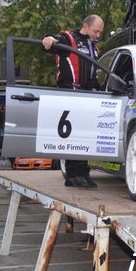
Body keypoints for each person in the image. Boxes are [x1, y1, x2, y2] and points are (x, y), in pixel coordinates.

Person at [43, 14, 104, 188]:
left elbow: (93, 74)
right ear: (86, 25)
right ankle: (72, 176)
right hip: (70, 93)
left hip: (87, 96)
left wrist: (99, 88)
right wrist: (47, 39)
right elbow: (52, 40)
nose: (98, 35)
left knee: (85, 136)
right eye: (96, 31)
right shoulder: (69, 38)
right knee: (72, 136)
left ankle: (83, 174)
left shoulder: (94, 47)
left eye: (100, 32)